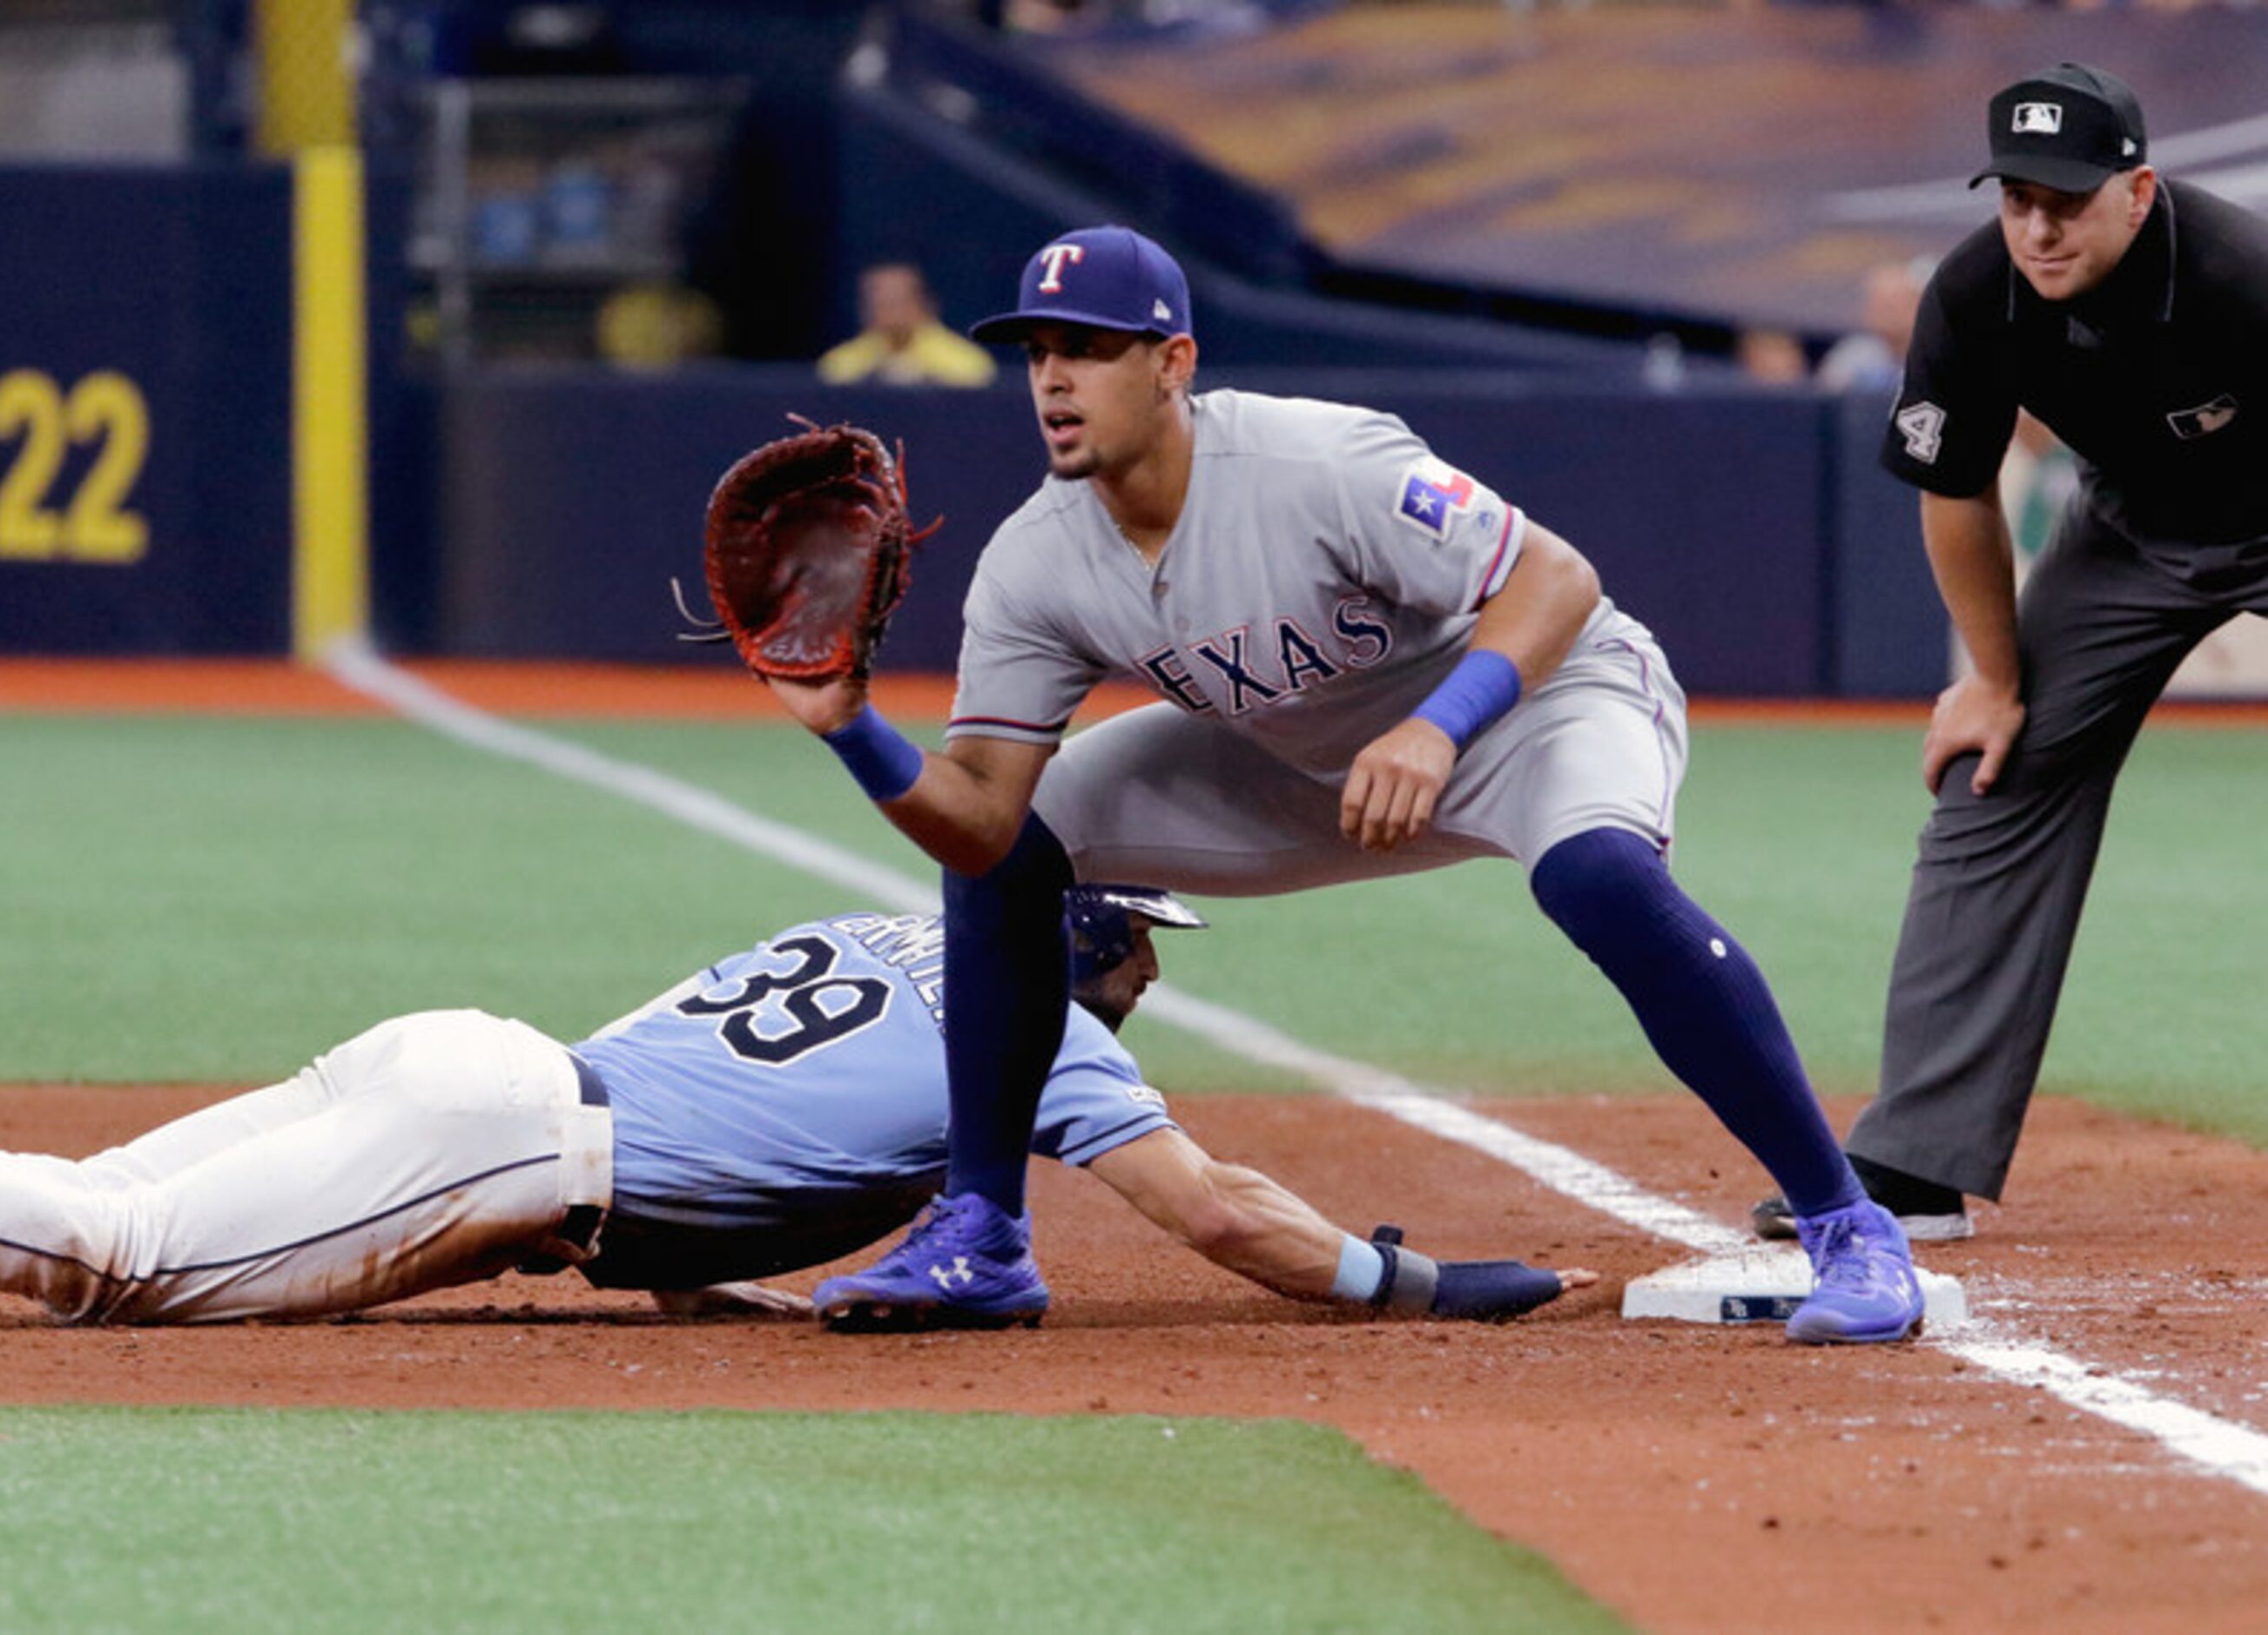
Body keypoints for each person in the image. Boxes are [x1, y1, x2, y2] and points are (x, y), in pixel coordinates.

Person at [764, 223, 1926, 1345]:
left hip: (1533, 696)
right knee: (1025, 844)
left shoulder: (1310, 461)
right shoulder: (1034, 562)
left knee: (1597, 876)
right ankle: (983, 1229)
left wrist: (1436, 726)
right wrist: (851, 726)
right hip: (1298, 752)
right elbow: (977, 820)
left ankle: (1845, 1224)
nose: (1054, 379)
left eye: (1090, 348)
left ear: (1172, 363)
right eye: (1038, 352)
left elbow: (1554, 579)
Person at [0, 886, 1590, 1338]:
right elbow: (1220, 1212)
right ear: (1092, 929)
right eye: (1141, 935)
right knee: (130, 1269)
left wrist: (719, 1288)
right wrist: (1404, 1272)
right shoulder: (1045, 1031)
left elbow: (732, 1120)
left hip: (481, 1061)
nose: (1154, 966)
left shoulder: (880, 926)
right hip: (515, 1142)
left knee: (92, 1195)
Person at [1753, 64, 2268, 1245]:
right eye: (2017, 197)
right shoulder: (1977, 294)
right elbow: (1953, 487)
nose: (2038, 226)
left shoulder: (2239, 275)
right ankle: (1914, 1163)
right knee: (1994, 769)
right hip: (2135, 530)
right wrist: (1990, 681)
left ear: (2136, 192)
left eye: (2067, 200)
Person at [817, 262, 999, 389]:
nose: (892, 314)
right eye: (881, 304)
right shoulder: (844, 362)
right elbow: (832, 375)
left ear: (925, 304)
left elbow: (977, 375)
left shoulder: (964, 360)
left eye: (899, 302)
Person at [1814, 259, 1928, 397]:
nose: (1888, 313)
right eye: (1879, 304)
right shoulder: (1853, 355)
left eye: (1896, 303)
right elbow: (1828, 396)